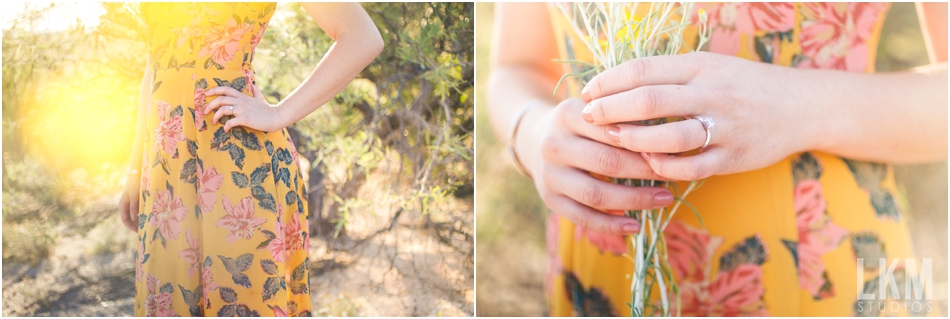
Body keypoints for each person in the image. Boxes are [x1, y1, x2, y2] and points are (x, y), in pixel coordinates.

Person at [489, 2, 946, 316]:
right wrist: (532, 134)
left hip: (821, 273)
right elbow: (515, 66)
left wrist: (798, 103)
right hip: (606, 270)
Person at [117, 3, 383, 316]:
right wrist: (136, 168)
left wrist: (279, 113)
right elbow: (157, 64)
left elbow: (362, 37)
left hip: (236, 166)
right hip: (167, 171)